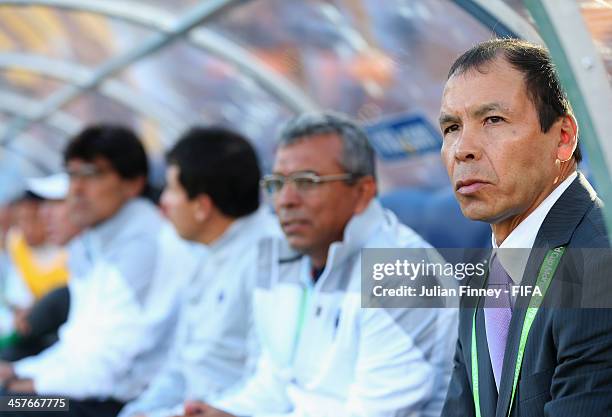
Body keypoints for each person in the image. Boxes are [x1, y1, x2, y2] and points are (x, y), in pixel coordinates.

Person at [184, 112, 457, 417]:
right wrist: (224, 412)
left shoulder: (406, 274)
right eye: (277, 183)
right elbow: (275, 384)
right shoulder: (284, 257)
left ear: (362, 192)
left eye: (305, 181)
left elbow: (376, 412)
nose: (285, 200)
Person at [439, 39, 612, 417]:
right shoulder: (483, 270)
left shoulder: (600, 266)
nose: (462, 148)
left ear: (563, 137)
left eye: (493, 120)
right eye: (452, 127)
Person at [0, 125, 195, 417]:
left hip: (112, 403)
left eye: (92, 174)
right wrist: (18, 371)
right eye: (72, 174)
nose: (76, 188)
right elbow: (78, 344)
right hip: (84, 391)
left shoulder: (143, 244)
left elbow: (103, 370)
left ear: (133, 183)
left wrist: (27, 384)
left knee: (7, 407)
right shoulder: (103, 239)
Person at [119, 126, 281, 417]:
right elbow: (180, 367)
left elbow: (265, 383)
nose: (163, 202)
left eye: (171, 189)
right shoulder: (205, 253)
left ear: (203, 206)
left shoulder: (268, 257)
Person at [0, 173, 78, 361]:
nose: (26, 228)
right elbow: (19, 293)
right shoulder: (16, 242)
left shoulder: (71, 250)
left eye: (33, 219)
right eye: (20, 220)